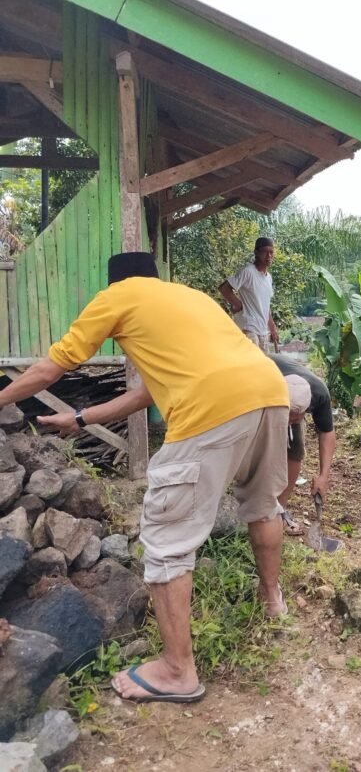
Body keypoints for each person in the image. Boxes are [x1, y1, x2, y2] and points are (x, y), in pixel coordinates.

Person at [0, 252, 290, 705]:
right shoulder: (187, 300)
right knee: (263, 503)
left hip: (212, 406)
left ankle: (177, 671)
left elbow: (50, 368)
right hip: (271, 392)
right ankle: (274, 602)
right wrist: (81, 416)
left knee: (166, 534)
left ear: (116, 281)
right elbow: (148, 392)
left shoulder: (118, 296)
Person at [269, 353, 336, 536]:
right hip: (265, 390)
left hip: (291, 396)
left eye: (297, 418)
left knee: (295, 449)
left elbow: (327, 433)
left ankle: (280, 510)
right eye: (289, 416)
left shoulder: (319, 394)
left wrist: (323, 476)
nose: (292, 421)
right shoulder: (265, 383)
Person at [220, 237, 279, 353]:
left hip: (263, 330)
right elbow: (224, 288)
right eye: (264, 252)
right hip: (249, 327)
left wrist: (272, 329)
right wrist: (238, 305)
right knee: (252, 364)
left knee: (262, 367)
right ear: (256, 253)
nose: (269, 256)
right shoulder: (248, 271)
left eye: (271, 252)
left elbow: (266, 306)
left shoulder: (268, 278)